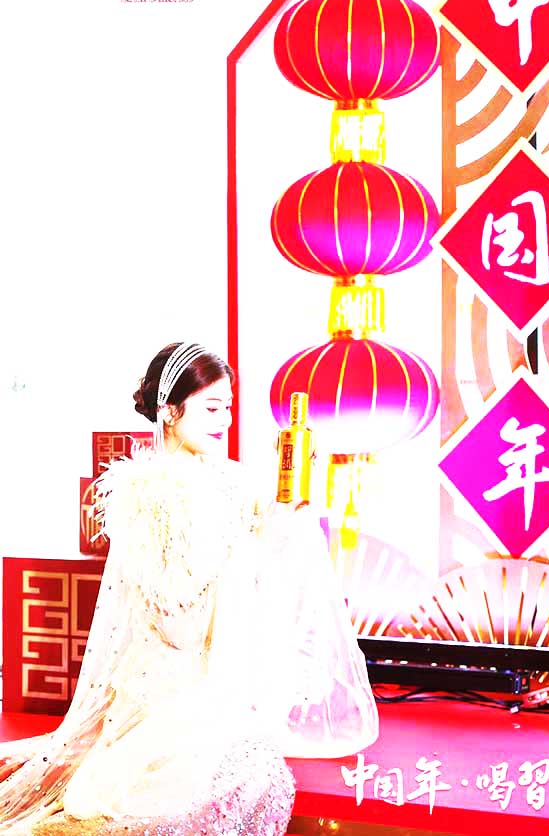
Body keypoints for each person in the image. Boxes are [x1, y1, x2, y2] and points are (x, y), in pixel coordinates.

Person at [0, 342, 379, 835]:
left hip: (223, 673)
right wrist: (256, 545)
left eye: (229, 408)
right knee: (223, 781)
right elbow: (178, 629)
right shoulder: (152, 494)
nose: (225, 420)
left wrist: (283, 523)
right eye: (211, 408)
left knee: (249, 768)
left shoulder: (230, 480)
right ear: (170, 410)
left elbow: (269, 558)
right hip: (174, 682)